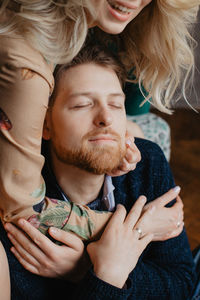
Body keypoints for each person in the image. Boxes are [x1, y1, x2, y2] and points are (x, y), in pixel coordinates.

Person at [0, 44, 196, 300]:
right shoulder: (14, 204)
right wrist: (107, 271)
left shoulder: (147, 161)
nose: (106, 118)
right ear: (45, 125)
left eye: (116, 105)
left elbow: (182, 283)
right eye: (82, 105)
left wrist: (87, 269)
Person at [0, 0, 199, 229]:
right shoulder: (25, 59)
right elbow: (23, 209)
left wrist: (113, 144)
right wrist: (137, 227)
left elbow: (130, 111)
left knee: (153, 134)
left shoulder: (131, 26)